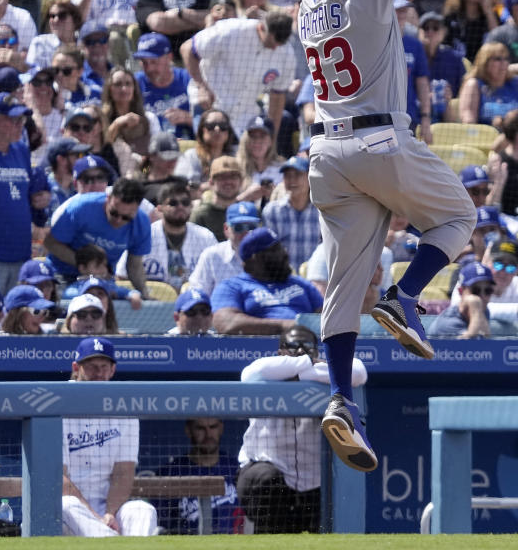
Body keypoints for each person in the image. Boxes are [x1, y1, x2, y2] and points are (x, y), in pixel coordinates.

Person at [296, 0, 475, 474]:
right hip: (376, 139)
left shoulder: (309, 4)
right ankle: (405, 295)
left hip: (327, 156)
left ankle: (340, 398)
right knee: (457, 217)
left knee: (343, 287)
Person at [237, 325, 366, 533]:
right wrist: (308, 364)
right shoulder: (264, 374)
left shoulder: (325, 380)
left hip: (312, 484)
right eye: (293, 346)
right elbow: (250, 373)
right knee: (268, 480)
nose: (300, 350)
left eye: (306, 346)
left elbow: (359, 372)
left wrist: (300, 374)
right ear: (280, 352)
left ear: (317, 351)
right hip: (265, 474)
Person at [62, 337, 159, 536]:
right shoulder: (58, 403)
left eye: (103, 366)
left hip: (109, 510)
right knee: (66, 505)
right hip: (73, 509)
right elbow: (59, 479)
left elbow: (124, 472)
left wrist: (109, 513)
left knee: (143, 510)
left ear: (113, 369)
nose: (98, 373)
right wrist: (95, 518)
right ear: (76, 367)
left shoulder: (123, 409)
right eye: (91, 366)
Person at [181, 10, 294, 137]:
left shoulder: (286, 53)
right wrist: (201, 87)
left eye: (281, 42)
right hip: (210, 105)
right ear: (261, 27)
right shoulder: (230, 30)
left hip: (245, 114)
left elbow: (277, 97)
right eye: (273, 41)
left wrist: (272, 138)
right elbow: (188, 48)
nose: (276, 47)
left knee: (246, 156)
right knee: (210, 153)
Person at [44, 177, 151, 296]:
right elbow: (50, 242)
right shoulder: (81, 208)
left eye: (126, 217)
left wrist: (144, 295)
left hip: (101, 278)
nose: (118, 220)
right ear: (108, 198)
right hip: (61, 271)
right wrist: (86, 266)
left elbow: (134, 265)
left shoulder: (142, 224)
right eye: (114, 213)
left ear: (137, 209)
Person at [211, 227, 323, 335]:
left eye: (281, 247)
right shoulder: (232, 286)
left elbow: (326, 316)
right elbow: (226, 323)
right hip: (254, 350)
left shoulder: (301, 284)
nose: (284, 253)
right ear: (255, 260)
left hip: (304, 346)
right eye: (275, 250)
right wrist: (283, 326)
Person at [116, 180, 216, 290]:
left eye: (185, 202)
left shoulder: (205, 237)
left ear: (191, 206)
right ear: (160, 208)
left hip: (194, 302)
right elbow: (121, 275)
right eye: (173, 203)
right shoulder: (145, 234)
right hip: (153, 302)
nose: (180, 206)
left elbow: (217, 275)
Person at [153, 416, 239, 533]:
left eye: (213, 427)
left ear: (221, 428)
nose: (208, 434)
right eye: (200, 428)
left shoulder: (235, 467)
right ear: (189, 431)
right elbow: (161, 527)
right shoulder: (170, 473)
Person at [188, 201, 260, 296]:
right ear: (226, 229)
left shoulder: (268, 255)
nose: (245, 233)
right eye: (239, 227)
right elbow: (197, 292)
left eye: (251, 227)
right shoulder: (212, 256)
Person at [0, 91, 31, 294]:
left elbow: (29, 195)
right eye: (13, 119)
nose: (20, 124)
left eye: (22, 119)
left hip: (21, 256)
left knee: (17, 320)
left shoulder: (21, 150)